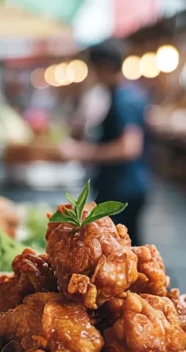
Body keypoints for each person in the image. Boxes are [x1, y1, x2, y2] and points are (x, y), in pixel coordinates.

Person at [59, 39, 150, 245]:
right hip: (121, 185)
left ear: (104, 66)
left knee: (121, 247)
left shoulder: (124, 99)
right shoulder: (117, 94)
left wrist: (82, 152)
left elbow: (129, 147)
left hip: (123, 188)